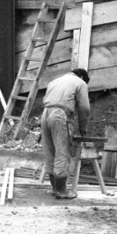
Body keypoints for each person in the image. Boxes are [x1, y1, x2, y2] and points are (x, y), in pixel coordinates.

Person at [40, 68, 90, 200]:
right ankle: (61, 191)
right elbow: (84, 108)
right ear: (82, 76)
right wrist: (83, 127)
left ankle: (55, 189)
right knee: (62, 152)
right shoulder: (80, 82)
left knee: (50, 152)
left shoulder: (54, 81)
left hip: (45, 113)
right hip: (60, 114)